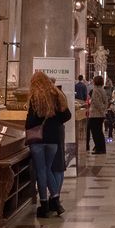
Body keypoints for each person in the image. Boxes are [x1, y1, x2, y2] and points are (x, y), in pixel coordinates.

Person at [24, 71, 72, 217]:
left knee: (41, 170)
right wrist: (54, 122)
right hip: (53, 139)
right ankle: (56, 201)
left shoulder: (35, 97)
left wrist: (31, 125)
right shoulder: (56, 95)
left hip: (38, 140)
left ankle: (44, 204)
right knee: (49, 169)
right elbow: (67, 115)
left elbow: (31, 121)